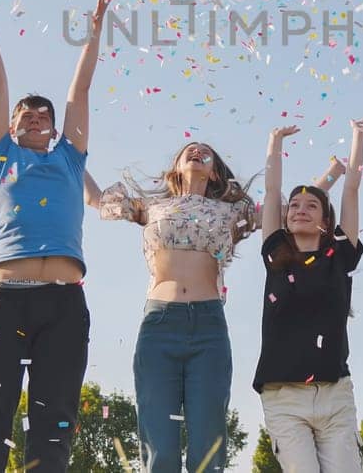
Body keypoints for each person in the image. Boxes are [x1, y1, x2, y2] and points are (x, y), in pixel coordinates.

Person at [0, 0, 116, 473]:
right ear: (11, 126)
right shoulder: (0, 157)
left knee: (54, 426)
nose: (35, 117)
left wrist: (93, 34)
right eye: (25, 114)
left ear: (54, 130)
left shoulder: (70, 160)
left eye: (43, 116)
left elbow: (80, 93)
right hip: (6, 299)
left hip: (64, 304)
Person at [99, 139, 261, 473]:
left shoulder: (233, 213)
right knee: (160, 444)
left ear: (214, 171)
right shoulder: (152, 208)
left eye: (206, 152)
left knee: (207, 442)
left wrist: (325, 175)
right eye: (189, 149)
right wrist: (73, 158)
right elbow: (96, 200)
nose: (197, 151)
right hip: (160, 323)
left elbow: (287, 212)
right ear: (176, 166)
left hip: (208, 326)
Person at [253, 112, 363, 473]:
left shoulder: (339, 254)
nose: (300, 209)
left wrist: (358, 136)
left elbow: (352, 189)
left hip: (334, 395)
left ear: (325, 220)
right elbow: (270, 191)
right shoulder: (275, 254)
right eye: (294, 205)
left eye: (311, 205)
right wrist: (275, 141)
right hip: (284, 397)